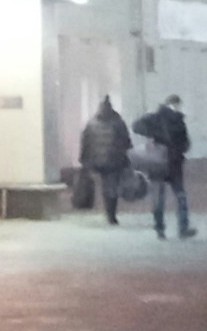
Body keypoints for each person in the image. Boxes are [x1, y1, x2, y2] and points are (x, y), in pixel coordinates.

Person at [133, 94, 196, 238]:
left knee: (159, 196)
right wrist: (179, 149)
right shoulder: (178, 120)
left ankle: (160, 228)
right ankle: (183, 228)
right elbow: (185, 143)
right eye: (177, 105)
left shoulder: (155, 117)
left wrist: (153, 135)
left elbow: (136, 126)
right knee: (180, 195)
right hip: (173, 163)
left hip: (158, 162)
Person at [76, 97, 134, 226]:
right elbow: (126, 142)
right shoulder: (118, 122)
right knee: (111, 185)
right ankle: (111, 214)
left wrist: (84, 160)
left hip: (97, 161)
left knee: (104, 186)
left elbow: (85, 142)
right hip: (114, 161)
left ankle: (108, 211)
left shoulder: (91, 123)